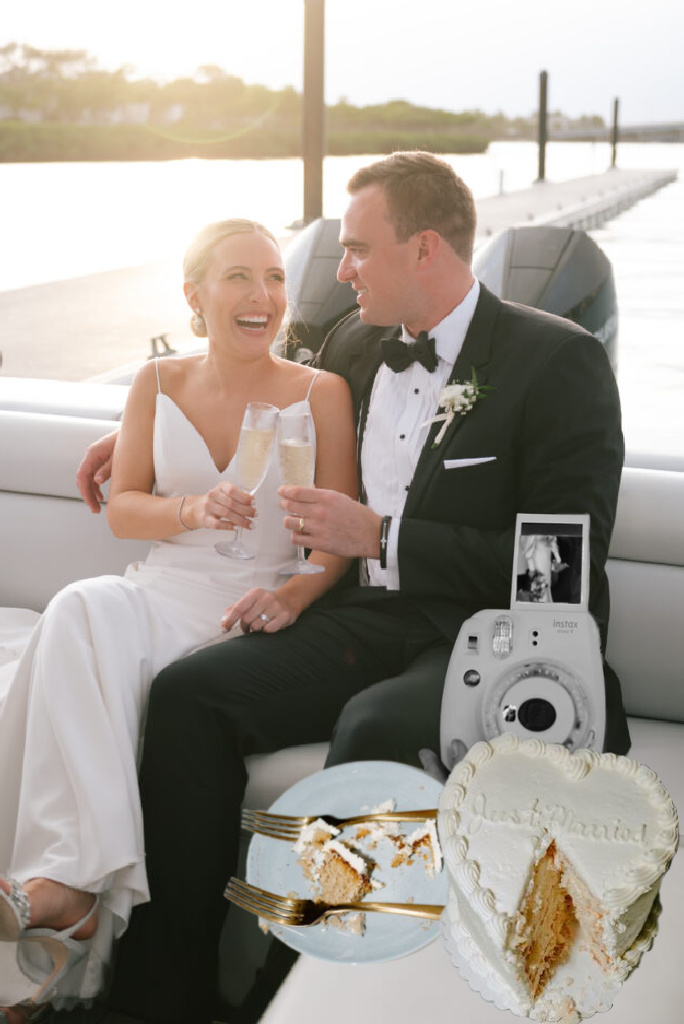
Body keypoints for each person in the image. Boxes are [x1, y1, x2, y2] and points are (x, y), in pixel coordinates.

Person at [74, 152, 629, 1024]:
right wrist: (130, 434)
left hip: (493, 639)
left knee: (373, 725)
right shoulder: (358, 346)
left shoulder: (557, 363)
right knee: (187, 696)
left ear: (426, 251)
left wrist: (381, 536)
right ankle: (161, 995)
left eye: (359, 250)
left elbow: (564, 568)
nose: (338, 270)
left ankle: (287, 995)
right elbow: (260, 378)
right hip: (362, 620)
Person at [0, 219, 357, 1024]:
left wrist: (294, 594)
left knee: (76, 646)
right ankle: (70, 885)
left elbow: (334, 542)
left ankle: (72, 905)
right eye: (237, 277)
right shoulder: (156, 382)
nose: (261, 294)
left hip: (260, 603)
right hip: (164, 585)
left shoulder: (320, 393)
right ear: (194, 296)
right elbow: (123, 508)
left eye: (273, 276)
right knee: (79, 607)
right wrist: (191, 507)